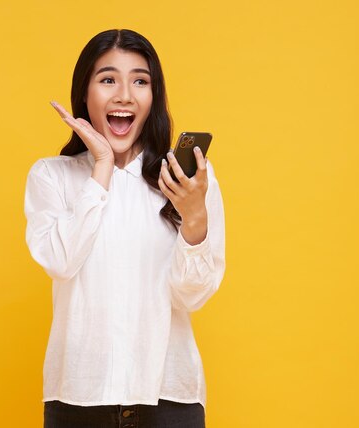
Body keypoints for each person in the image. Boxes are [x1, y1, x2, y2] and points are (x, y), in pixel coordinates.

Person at [24, 29, 225, 428]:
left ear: (154, 97)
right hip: (78, 400)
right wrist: (101, 165)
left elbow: (193, 296)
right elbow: (61, 262)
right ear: (85, 93)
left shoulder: (187, 182)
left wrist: (194, 220)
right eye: (108, 79)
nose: (124, 95)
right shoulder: (51, 176)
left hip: (168, 400)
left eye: (140, 81)